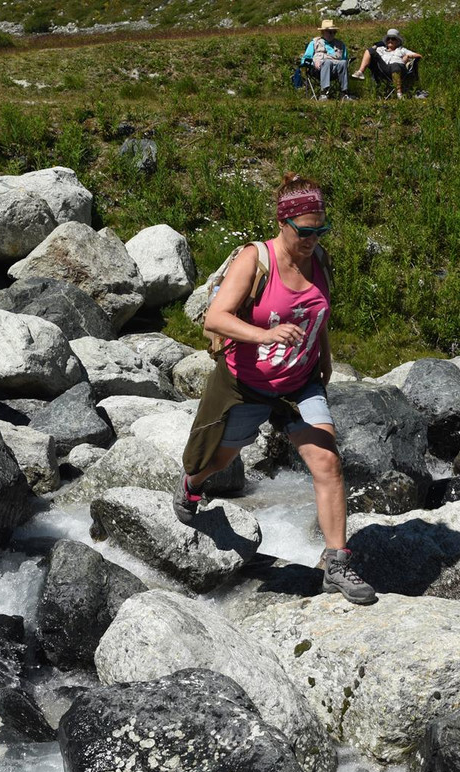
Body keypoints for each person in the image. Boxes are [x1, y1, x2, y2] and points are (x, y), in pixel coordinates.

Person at [176, 173, 376, 606]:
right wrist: (263, 336)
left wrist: (323, 355)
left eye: (321, 230)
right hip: (246, 383)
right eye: (305, 231)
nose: (313, 239)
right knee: (220, 458)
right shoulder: (255, 259)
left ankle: (337, 564)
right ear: (283, 222)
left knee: (327, 462)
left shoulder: (319, 259)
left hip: (300, 382)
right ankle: (192, 485)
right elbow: (215, 318)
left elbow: (316, 313)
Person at [352, 28, 425, 99]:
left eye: (393, 39)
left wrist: (408, 55)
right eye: (388, 39)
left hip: (399, 69)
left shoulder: (402, 50)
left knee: (395, 65)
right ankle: (360, 72)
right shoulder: (381, 49)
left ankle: (399, 94)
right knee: (369, 50)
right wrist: (377, 45)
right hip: (385, 69)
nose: (390, 40)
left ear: (397, 41)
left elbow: (419, 55)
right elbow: (371, 51)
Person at [302, 19, 353, 100]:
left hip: (336, 70)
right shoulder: (315, 42)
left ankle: (344, 93)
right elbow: (305, 59)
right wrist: (313, 63)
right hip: (318, 70)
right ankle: (323, 93)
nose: (332, 34)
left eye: (334, 32)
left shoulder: (340, 44)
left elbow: (345, 59)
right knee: (327, 62)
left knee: (343, 63)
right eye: (329, 32)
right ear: (323, 32)